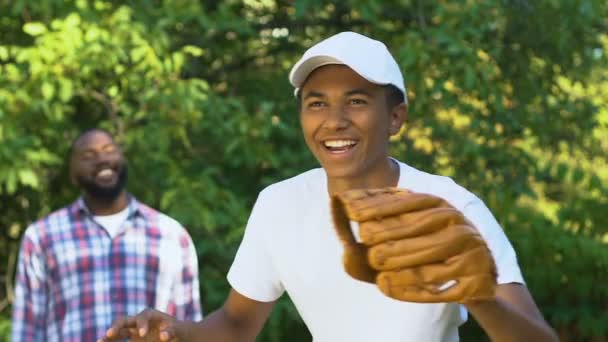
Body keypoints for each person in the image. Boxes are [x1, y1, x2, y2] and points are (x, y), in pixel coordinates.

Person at [100, 32, 557, 341]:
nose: (334, 121)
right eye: (317, 104)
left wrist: (473, 292)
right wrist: (179, 332)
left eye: (356, 101)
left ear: (395, 117)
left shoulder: (451, 206)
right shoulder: (279, 204)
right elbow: (238, 324)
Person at [12, 129, 202, 342]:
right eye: (88, 156)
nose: (102, 159)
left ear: (122, 159)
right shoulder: (42, 237)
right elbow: (27, 331)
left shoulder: (171, 235)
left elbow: (190, 324)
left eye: (109, 150)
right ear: (73, 174)